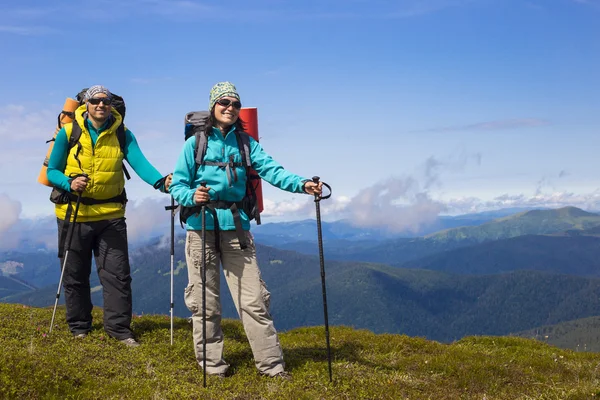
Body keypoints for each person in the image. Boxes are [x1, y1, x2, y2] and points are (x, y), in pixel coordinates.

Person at [170, 81, 322, 378]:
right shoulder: (195, 144)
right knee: (205, 303)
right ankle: (212, 367)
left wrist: (303, 184)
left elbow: (272, 170)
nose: (229, 108)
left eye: (235, 104)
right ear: (213, 106)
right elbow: (177, 184)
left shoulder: (246, 143)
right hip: (200, 228)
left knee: (253, 301)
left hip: (236, 228)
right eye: (224, 102)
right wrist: (192, 196)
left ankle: (272, 367)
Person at [47, 85, 171, 347]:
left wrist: (161, 182)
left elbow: (140, 163)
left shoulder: (123, 134)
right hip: (74, 213)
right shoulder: (69, 133)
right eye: (96, 101)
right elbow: (52, 172)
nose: (101, 105)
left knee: (117, 275)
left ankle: (119, 330)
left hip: (111, 215)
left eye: (106, 101)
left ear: (112, 105)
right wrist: (70, 183)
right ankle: (79, 327)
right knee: (74, 275)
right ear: (86, 104)